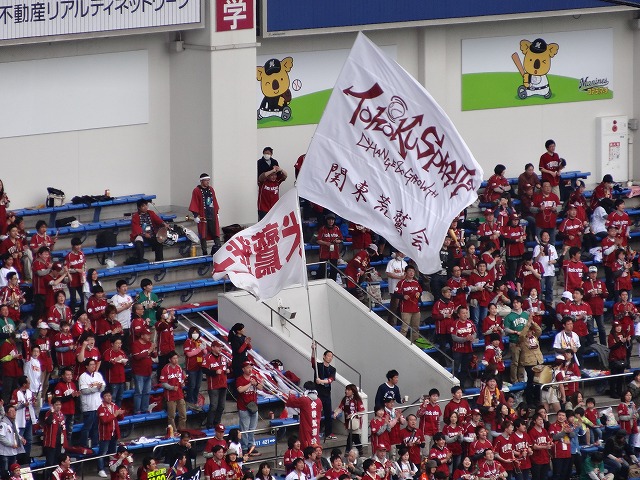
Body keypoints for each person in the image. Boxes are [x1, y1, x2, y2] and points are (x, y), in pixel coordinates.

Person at [189, 173, 222, 255]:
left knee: (215, 233)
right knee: (203, 234)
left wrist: (216, 212)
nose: (208, 182)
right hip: (203, 216)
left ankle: (218, 250)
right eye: (206, 180)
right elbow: (194, 202)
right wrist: (196, 215)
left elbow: (214, 200)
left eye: (208, 180)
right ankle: (204, 252)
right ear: (201, 181)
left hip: (212, 214)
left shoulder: (211, 189)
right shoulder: (196, 191)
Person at [236, 361, 263, 454]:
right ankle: (244, 448)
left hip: (254, 407)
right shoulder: (240, 379)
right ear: (243, 369)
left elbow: (261, 388)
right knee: (244, 429)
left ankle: (251, 446)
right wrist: (250, 384)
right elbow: (240, 390)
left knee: (252, 428)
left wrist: (255, 383)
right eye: (247, 367)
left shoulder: (254, 377)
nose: (250, 369)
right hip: (243, 407)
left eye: (251, 367)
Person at [285, 381, 323, 448]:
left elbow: (292, 402)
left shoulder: (304, 400)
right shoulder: (319, 401)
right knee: (315, 445)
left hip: (306, 427)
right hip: (316, 426)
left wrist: (291, 394)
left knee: (306, 446)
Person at [202, 341, 230, 430]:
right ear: (213, 347)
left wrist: (228, 371)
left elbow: (227, 367)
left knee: (221, 406)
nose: (220, 349)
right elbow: (204, 370)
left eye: (221, 347)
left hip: (223, 384)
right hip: (213, 385)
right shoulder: (207, 358)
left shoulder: (223, 358)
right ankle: (209, 424)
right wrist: (214, 372)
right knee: (213, 406)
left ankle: (217, 423)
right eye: (218, 347)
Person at [97, 391, 125, 478]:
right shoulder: (101, 408)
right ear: (103, 398)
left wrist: (120, 413)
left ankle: (113, 468)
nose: (109, 397)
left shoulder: (114, 405)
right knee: (103, 452)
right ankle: (100, 469)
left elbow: (120, 418)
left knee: (113, 453)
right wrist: (115, 414)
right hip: (105, 434)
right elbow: (105, 420)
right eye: (106, 396)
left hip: (114, 433)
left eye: (109, 395)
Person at [79, 358, 106, 448]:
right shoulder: (83, 377)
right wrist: (96, 388)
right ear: (86, 366)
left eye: (94, 364)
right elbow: (84, 391)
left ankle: (95, 445)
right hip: (88, 406)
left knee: (96, 427)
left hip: (98, 405)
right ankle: (83, 445)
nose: (93, 366)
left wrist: (99, 388)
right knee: (87, 427)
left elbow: (103, 387)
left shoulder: (98, 375)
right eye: (91, 364)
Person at [312, 342, 336, 440]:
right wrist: (313, 350)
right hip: (317, 393)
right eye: (328, 356)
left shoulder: (332, 369)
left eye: (331, 356)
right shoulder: (318, 366)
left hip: (326, 393)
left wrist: (321, 381)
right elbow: (312, 361)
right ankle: (315, 432)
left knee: (327, 413)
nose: (330, 358)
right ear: (324, 356)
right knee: (315, 412)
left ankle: (328, 433)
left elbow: (330, 380)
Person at [130, 198, 167, 263]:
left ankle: (159, 260)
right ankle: (140, 260)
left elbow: (158, 220)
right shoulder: (135, 216)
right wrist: (143, 234)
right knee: (138, 243)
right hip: (141, 235)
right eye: (143, 206)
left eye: (146, 205)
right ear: (139, 207)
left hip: (151, 234)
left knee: (159, 241)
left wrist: (164, 223)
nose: (145, 207)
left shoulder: (151, 213)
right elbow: (136, 228)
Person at [10, 375, 36, 463]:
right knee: (19, 441)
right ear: (24, 384)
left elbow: (33, 403)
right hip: (19, 421)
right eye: (28, 383)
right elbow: (13, 406)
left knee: (29, 440)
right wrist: (22, 405)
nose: (29, 384)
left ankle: (26, 458)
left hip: (29, 420)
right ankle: (17, 459)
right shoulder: (16, 392)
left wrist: (34, 402)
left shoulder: (30, 392)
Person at [160, 350, 187, 432]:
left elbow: (182, 380)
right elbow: (163, 383)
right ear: (170, 359)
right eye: (174, 358)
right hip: (170, 396)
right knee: (171, 416)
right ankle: (173, 432)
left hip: (180, 394)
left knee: (183, 415)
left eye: (176, 358)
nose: (176, 360)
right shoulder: (165, 369)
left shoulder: (179, 368)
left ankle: (181, 431)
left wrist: (183, 384)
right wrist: (171, 388)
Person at [333, 384, 365, 454]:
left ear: (353, 391)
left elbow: (361, 411)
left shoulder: (357, 400)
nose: (346, 391)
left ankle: (347, 451)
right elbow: (340, 407)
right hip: (348, 422)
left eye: (349, 390)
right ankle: (360, 449)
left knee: (351, 436)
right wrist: (336, 413)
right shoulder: (345, 399)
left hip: (356, 422)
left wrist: (353, 415)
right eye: (346, 390)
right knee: (355, 437)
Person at [395, 265, 422, 342]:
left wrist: (419, 294)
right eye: (410, 271)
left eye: (413, 271)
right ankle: (401, 342)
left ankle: (415, 343)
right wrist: (403, 296)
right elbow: (396, 294)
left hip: (416, 308)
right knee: (404, 328)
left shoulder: (416, 282)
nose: (411, 273)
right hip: (406, 309)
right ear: (406, 272)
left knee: (416, 328)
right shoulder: (401, 283)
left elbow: (420, 291)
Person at [451, 306, 476, 388]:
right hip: (458, 350)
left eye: (466, 313)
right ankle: (453, 386)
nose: (465, 315)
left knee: (465, 369)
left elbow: (474, 333)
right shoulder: (455, 323)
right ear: (458, 314)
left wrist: (472, 337)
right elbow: (454, 337)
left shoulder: (470, 322)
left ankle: (461, 386)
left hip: (468, 350)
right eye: (463, 313)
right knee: (455, 369)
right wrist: (465, 339)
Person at [531, 181, 561, 245]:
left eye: (549, 186)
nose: (548, 188)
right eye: (546, 186)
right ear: (542, 188)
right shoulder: (537, 197)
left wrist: (555, 209)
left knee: (552, 243)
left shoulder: (554, 196)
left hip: (552, 225)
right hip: (540, 225)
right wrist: (539, 209)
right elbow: (531, 209)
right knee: (539, 243)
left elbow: (559, 207)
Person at [317, 214, 343, 281]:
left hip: (334, 253)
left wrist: (338, 241)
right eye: (329, 220)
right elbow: (318, 240)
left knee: (334, 270)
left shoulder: (337, 228)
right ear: (326, 220)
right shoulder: (322, 229)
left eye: (332, 220)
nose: (331, 221)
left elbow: (341, 239)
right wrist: (326, 243)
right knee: (322, 269)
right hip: (324, 253)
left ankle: (333, 283)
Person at [183, 326, 205, 407]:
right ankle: (190, 401)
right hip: (191, 367)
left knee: (198, 385)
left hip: (199, 366)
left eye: (196, 332)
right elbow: (189, 354)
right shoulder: (187, 342)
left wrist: (204, 348)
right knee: (192, 385)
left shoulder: (199, 341)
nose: (195, 334)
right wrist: (199, 349)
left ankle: (195, 401)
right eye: (193, 332)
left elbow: (204, 352)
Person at [103, 338, 127, 407]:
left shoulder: (122, 352)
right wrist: (115, 360)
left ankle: (118, 413)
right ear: (112, 344)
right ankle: (111, 413)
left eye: (120, 343)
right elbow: (106, 365)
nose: (119, 345)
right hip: (113, 380)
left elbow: (125, 363)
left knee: (120, 398)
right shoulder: (108, 352)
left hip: (122, 379)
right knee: (112, 399)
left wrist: (124, 362)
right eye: (117, 343)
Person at [385, 252, 408, 325]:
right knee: (394, 306)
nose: (402, 255)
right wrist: (399, 277)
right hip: (394, 287)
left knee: (401, 307)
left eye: (403, 254)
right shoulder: (391, 262)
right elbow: (388, 273)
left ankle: (400, 323)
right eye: (400, 253)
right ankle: (390, 322)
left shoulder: (405, 263)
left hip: (403, 288)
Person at [0, 405, 24, 472]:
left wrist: (21, 439)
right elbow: (1, 437)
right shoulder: (3, 424)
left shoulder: (14, 423)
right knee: (5, 472)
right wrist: (11, 444)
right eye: (11, 411)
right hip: (5, 453)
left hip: (13, 452)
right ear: (6, 413)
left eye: (14, 411)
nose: (14, 413)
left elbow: (16, 433)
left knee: (13, 471)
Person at [65, 237, 86, 314]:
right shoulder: (69, 256)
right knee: (73, 298)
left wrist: (83, 273)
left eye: (79, 245)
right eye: (77, 245)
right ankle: (72, 314)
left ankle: (81, 313)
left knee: (83, 297)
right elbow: (66, 269)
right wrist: (76, 270)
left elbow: (84, 265)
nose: (79, 247)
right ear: (73, 246)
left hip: (80, 279)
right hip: (72, 281)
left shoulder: (82, 254)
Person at [43, 398, 66, 466]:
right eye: (56, 405)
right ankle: (47, 476)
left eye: (59, 404)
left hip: (59, 442)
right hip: (50, 443)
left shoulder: (61, 414)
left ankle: (55, 476)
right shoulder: (49, 413)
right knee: (50, 462)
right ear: (52, 405)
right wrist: (52, 413)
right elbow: (48, 422)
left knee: (57, 462)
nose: (58, 406)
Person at [109, 280, 134, 345]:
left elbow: (132, 309)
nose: (125, 288)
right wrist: (125, 307)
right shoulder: (114, 298)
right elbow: (113, 311)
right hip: (119, 326)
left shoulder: (128, 297)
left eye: (126, 286)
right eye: (123, 286)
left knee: (127, 345)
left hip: (128, 325)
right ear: (118, 288)